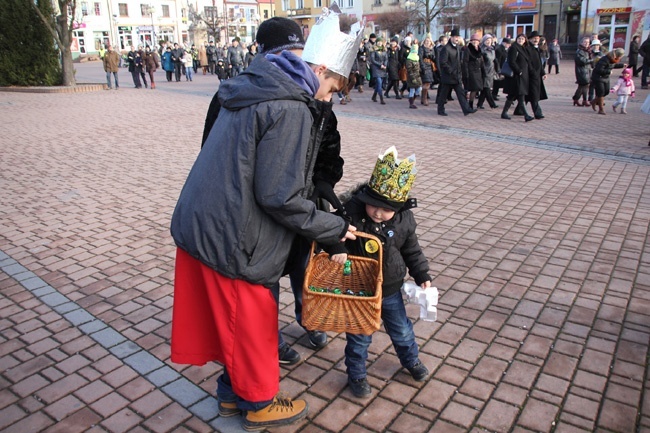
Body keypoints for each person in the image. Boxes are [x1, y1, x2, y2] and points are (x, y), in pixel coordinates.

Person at [175, 13, 361, 429]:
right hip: (235, 233)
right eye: (331, 86)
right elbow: (280, 195)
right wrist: (332, 228)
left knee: (234, 325)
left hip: (208, 222)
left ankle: (228, 397)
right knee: (252, 323)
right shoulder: (291, 105)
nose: (328, 98)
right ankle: (258, 403)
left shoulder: (255, 85)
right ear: (318, 70)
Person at [329, 146, 431, 398]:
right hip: (360, 287)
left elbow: (412, 250)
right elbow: (330, 231)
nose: (378, 212)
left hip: (391, 289)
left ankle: (411, 360)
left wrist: (422, 274)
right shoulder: (351, 213)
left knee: (402, 330)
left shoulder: (404, 221)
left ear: (399, 208)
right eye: (373, 205)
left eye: (386, 209)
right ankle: (357, 374)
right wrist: (337, 246)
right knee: (359, 337)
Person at [437, 28, 475, 116]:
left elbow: (458, 61)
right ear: (451, 37)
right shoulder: (446, 48)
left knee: (461, 93)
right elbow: (443, 62)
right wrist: (450, 71)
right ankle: (440, 109)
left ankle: (466, 109)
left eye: (458, 37)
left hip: (456, 76)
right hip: (448, 76)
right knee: (444, 94)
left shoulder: (457, 48)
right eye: (455, 37)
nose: (456, 38)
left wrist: (459, 72)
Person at [501, 34, 534, 122]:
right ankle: (526, 115)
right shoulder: (514, 48)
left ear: (525, 40)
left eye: (522, 39)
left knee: (512, 95)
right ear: (516, 39)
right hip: (517, 76)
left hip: (523, 76)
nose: (521, 40)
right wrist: (518, 70)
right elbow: (511, 61)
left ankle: (504, 113)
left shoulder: (523, 48)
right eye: (519, 38)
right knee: (520, 95)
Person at [591, 48, 626, 114]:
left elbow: (612, 65)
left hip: (605, 77)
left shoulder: (613, 59)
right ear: (618, 55)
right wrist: (609, 72)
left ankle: (594, 101)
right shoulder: (605, 59)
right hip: (598, 77)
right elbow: (599, 69)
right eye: (621, 56)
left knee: (606, 92)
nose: (621, 58)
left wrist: (622, 65)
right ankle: (601, 109)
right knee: (601, 92)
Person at [525, 31, 547, 119]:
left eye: (537, 38)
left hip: (537, 75)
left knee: (529, 94)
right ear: (530, 39)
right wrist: (532, 72)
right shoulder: (528, 49)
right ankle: (537, 112)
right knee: (533, 94)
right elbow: (528, 62)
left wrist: (543, 72)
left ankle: (519, 110)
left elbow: (539, 63)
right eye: (534, 38)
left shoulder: (537, 48)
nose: (536, 40)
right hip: (530, 75)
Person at [462, 32, 485, 110]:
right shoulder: (468, 50)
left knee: (476, 89)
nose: (475, 42)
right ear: (471, 41)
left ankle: (470, 103)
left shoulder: (479, 49)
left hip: (478, 71)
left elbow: (481, 61)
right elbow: (465, 62)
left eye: (477, 40)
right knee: (473, 88)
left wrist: (483, 70)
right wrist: (466, 73)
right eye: (473, 40)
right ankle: (470, 104)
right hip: (471, 71)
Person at [477, 34, 499, 109]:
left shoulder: (492, 49)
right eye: (487, 40)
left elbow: (494, 60)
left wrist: (497, 69)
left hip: (491, 70)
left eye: (490, 41)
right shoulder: (481, 49)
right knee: (487, 88)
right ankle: (492, 104)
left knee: (485, 88)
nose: (488, 42)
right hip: (484, 70)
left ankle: (479, 104)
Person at [572, 36, 593, 107]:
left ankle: (577, 99)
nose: (586, 43)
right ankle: (583, 100)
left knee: (582, 86)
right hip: (581, 71)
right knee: (584, 85)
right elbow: (582, 61)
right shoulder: (580, 51)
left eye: (588, 42)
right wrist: (592, 60)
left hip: (587, 70)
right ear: (582, 43)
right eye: (585, 42)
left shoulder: (587, 50)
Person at [370, 37, 388, 104]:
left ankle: (374, 96)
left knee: (378, 84)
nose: (380, 43)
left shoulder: (384, 50)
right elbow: (373, 60)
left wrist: (385, 65)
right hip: (376, 68)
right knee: (379, 83)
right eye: (378, 42)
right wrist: (380, 65)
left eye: (381, 42)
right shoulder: (373, 50)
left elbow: (386, 59)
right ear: (376, 42)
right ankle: (381, 98)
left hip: (383, 69)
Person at [419, 36, 436, 106]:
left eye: (429, 41)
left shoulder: (432, 49)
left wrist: (431, 55)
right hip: (424, 65)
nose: (427, 42)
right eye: (426, 41)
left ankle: (423, 98)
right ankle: (424, 98)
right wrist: (423, 67)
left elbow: (434, 57)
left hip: (430, 65)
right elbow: (420, 58)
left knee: (428, 83)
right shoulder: (422, 48)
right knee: (426, 82)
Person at [405, 39, 422, 109]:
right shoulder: (409, 59)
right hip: (412, 77)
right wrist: (412, 78)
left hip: (417, 76)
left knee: (419, 89)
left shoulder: (417, 58)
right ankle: (411, 103)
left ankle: (412, 100)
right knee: (412, 90)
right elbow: (409, 70)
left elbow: (418, 67)